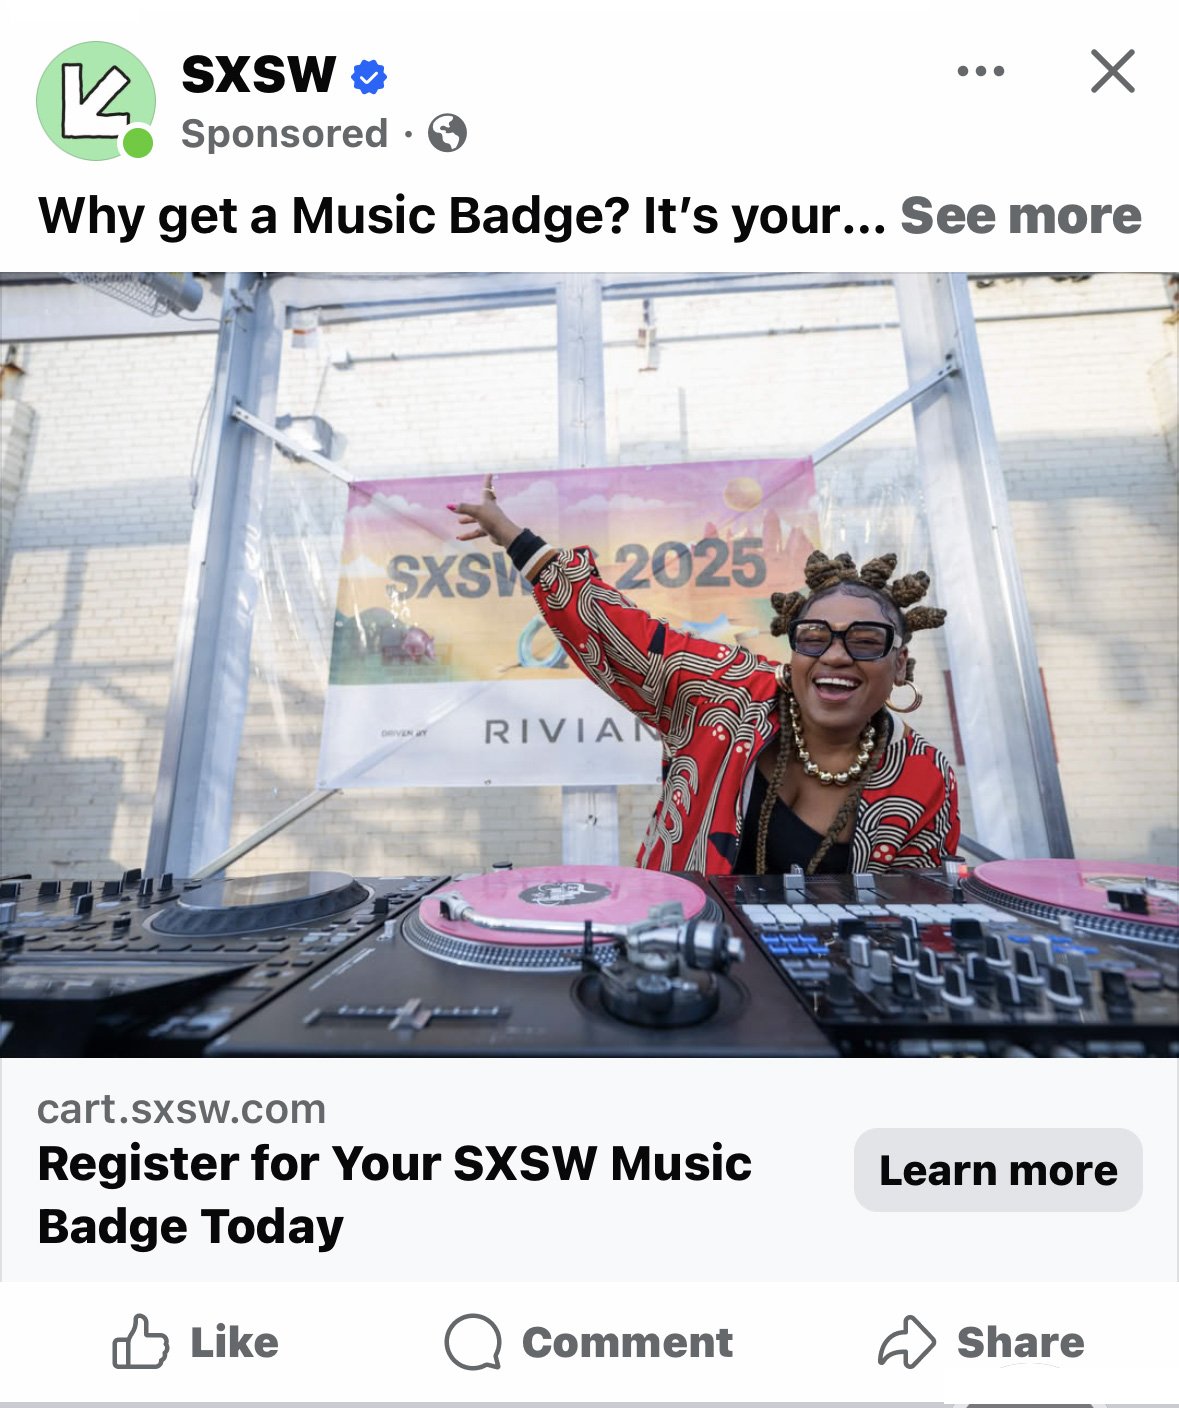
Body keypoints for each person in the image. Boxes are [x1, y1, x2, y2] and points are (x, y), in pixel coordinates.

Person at [451, 474, 960, 876]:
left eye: (866, 641)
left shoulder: (925, 775)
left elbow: (913, 913)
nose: (835, 655)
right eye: (813, 636)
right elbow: (618, 632)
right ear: (794, 650)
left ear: (899, 666)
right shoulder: (726, 693)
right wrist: (515, 539)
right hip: (683, 966)